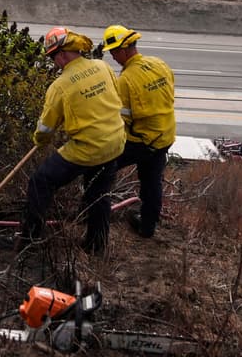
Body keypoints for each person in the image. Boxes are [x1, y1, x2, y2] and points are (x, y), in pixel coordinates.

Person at [19, 26, 126, 255]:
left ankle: (29, 241)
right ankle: (97, 246)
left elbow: (46, 128)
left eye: (53, 57)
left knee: (41, 182)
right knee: (99, 195)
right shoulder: (102, 66)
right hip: (115, 142)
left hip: (88, 148)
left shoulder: (60, 86)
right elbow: (113, 97)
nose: (54, 62)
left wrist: (40, 139)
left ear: (62, 54)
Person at [102, 24, 176, 239]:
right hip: (164, 137)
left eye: (114, 52)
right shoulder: (158, 64)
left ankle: (93, 214)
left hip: (141, 141)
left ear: (125, 49)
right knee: (152, 182)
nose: (113, 57)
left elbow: (120, 119)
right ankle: (147, 227)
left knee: (103, 169)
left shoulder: (125, 80)